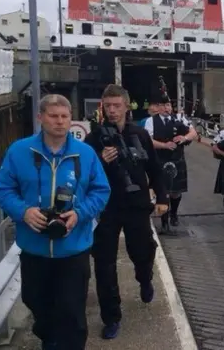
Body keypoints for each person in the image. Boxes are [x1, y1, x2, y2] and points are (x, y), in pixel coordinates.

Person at [0, 94, 111, 350]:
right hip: (34, 248)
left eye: (64, 116)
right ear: (40, 118)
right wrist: (23, 212)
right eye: (53, 116)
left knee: (72, 313)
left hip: (73, 249)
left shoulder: (86, 154)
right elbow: (3, 189)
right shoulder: (19, 151)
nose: (59, 122)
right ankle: (49, 337)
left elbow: (101, 191)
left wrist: (79, 213)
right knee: (36, 302)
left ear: (71, 120)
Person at [84, 84, 169, 340]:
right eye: (107, 106)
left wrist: (162, 197)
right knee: (104, 264)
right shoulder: (93, 138)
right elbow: (83, 175)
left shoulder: (140, 135)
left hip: (137, 204)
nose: (111, 111)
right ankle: (111, 316)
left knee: (142, 252)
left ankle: (145, 278)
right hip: (107, 207)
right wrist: (101, 160)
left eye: (116, 105)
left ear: (126, 106)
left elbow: (154, 168)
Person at [144, 91, 198, 233]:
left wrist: (184, 138)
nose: (166, 108)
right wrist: (164, 145)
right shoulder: (151, 121)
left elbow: (194, 133)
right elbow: (148, 141)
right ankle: (164, 222)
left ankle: (174, 213)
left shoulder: (180, 118)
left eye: (168, 105)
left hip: (177, 159)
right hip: (160, 160)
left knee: (176, 193)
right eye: (163, 105)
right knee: (163, 191)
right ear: (158, 107)